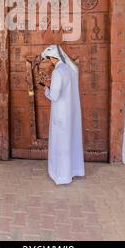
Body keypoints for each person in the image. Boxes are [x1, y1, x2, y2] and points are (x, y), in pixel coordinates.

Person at [41, 45, 85, 185]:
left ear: (54, 58)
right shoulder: (72, 70)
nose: (49, 62)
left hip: (60, 115)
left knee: (60, 144)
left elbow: (54, 96)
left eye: (49, 59)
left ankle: (61, 175)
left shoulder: (58, 72)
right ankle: (73, 170)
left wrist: (46, 89)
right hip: (71, 114)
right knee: (71, 142)